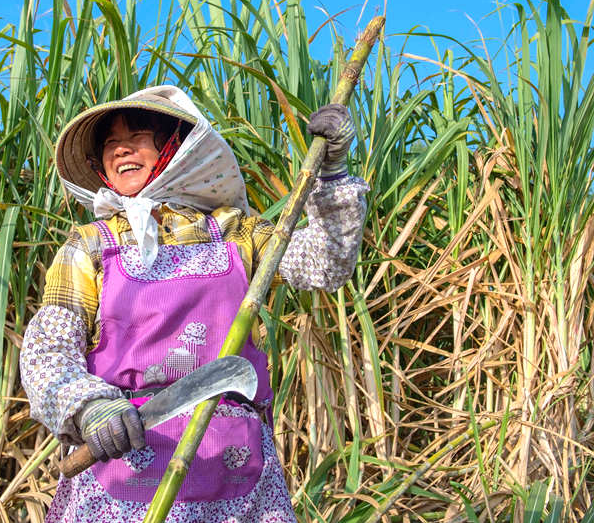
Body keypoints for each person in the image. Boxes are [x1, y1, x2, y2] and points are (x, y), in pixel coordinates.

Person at [20, 85, 368, 522]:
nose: (121, 149)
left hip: (233, 464)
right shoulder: (90, 245)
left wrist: (331, 174)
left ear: (173, 147)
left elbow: (325, 265)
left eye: (139, 136)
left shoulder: (238, 234)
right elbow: (47, 349)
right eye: (110, 143)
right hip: (121, 453)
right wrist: (88, 407)